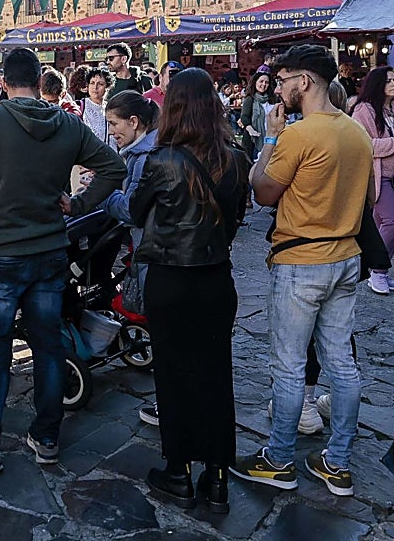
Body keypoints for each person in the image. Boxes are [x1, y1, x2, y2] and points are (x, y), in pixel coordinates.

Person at [0, 47, 125, 475]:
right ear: (38, 82)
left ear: (3, 82)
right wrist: (79, 203)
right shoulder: (67, 124)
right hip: (49, 252)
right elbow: (113, 167)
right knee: (48, 346)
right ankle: (47, 438)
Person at [232, 45, 371, 498]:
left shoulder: (299, 134)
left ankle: (278, 459)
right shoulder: (356, 132)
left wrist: (270, 140)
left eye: (283, 80)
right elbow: (369, 200)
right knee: (341, 363)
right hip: (345, 256)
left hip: (301, 260)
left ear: (304, 81)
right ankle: (338, 462)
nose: (278, 89)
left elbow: (262, 192)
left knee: (290, 365)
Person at [128, 68, 248, 512]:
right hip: (216, 278)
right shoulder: (236, 159)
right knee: (216, 375)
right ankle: (217, 478)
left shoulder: (162, 161)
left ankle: (178, 471)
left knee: (174, 376)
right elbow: (236, 217)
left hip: (171, 278)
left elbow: (136, 211)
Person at [350, 66, 394, 295]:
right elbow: (361, 143)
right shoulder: (363, 110)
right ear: (377, 84)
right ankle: (377, 269)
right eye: (388, 81)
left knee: (379, 225)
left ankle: (379, 272)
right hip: (377, 175)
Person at [101, 90, 160, 230]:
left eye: (113, 123)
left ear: (133, 122)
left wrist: (100, 193)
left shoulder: (144, 158)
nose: (110, 131)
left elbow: (130, 211)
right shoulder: (146, 150)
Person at [238, 71, 272, 162]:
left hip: (269, 137)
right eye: (261, 81)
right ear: (255, 82)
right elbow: (244, 117)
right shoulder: (250, 99)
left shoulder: (272, 99)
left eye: (266, 82)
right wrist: (250, 129)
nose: (263, 84)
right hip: (252, 139)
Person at [80, 67, 115, 148]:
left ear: (107, 87)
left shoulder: (112, 109)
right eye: (92, 83)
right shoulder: (80, 107)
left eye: (100, 84)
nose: (95, 87)